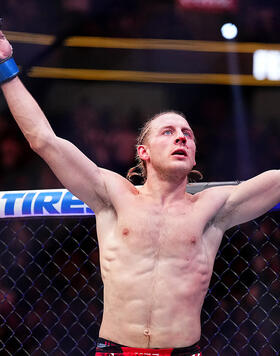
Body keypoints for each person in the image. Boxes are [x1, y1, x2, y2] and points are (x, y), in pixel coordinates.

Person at [0, 31, 279, 356]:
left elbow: (275, 180)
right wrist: (6, 66)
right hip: (115, 349)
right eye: (169, 132)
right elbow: (43, 140)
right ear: (143, 151)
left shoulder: (213, 207)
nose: (181, 138)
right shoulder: (112, 195)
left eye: (187, 134)